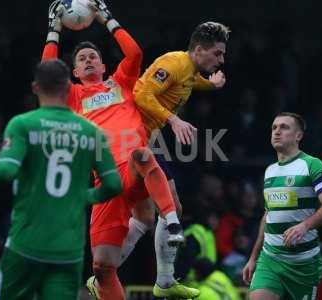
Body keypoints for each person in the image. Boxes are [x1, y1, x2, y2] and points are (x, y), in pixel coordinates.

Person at [42, 1, 197, 299]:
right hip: (105, 181)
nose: (88, 60)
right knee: (102, 267)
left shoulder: (121, 83)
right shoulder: (73, 96)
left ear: (103, 66)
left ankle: (173, 222)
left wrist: (106, 18)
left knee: (142, 154)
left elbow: (135, 53)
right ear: (74, 71)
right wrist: (55, 27)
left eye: (93, 57)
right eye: (82, 58)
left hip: (133, 167)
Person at [0, 59, 122, 300]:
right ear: (69, 88)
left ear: (35, 88)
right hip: (68, 251)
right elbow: (113, 185)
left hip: (25, 245)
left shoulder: (23, 124)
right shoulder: (92, 132)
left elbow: (6, 171)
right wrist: (84, 195)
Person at [123, 20, 230, 297]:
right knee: (167, 210)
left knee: (151, 216)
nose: (222, 59)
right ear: (198, 49)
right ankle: (161, 282)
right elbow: (140, 93)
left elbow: (193, 82)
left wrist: (212, 84)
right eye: (217, 53)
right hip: (132, 138)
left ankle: (151, 279)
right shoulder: (174, 63)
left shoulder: (191, 71)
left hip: (144, 141)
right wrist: (173, 120)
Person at [242, 112, 322, 300]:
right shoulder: (270, 171)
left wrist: (304, 225)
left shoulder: (312, 165)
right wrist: (253, 257)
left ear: (298, 136)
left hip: (302, 265)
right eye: (274, 128)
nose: (277, 131)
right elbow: (268, 215)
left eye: (284, 127)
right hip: (269, 260)